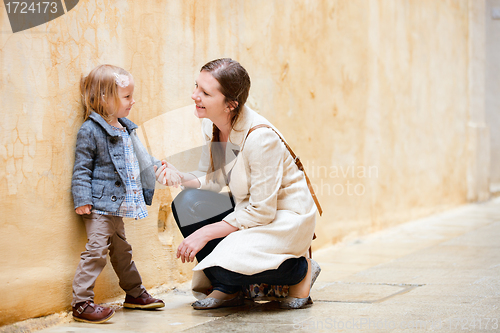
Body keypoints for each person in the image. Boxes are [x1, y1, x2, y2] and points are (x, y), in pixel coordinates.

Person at [156, 58, 321, 310]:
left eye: (205, 92)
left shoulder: (261, 138)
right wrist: (181, 177)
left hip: (283, 217)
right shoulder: (210, 123)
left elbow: (263, 211)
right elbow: (213, 178)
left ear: (230, 105)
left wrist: (205, 233)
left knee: (222, 264)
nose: (194, 95)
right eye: (196, 87)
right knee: (187, 201)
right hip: (248, 209)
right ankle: (229, 288)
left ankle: (300, 269)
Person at [71, 65, 171, 323]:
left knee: (122, 252)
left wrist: (158, 166)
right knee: (96, 251)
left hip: (118, 207)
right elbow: (82, 168)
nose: (132, 101)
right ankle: (81, 303)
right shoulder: (90, 130)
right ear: (105, 98)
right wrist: (82, 199)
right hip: (99, 207)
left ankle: (135, 294)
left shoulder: (126, 129)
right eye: (126, 97)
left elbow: (141, 159)